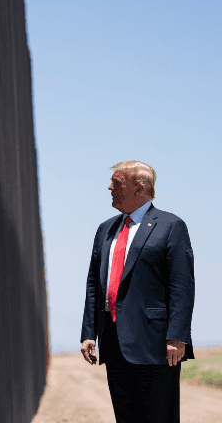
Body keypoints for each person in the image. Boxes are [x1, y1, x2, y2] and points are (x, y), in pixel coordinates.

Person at [80, 161, 195, 423]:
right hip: (113, 340)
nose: (109, 187)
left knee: (158, 416)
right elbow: (93, 284)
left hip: (155, 344)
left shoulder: (171, 225)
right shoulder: (105, 229)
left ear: (140, 188)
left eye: (117, 182)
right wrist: (89, 332)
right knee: (126, 416)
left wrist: (176, 335)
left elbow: (182, 286)